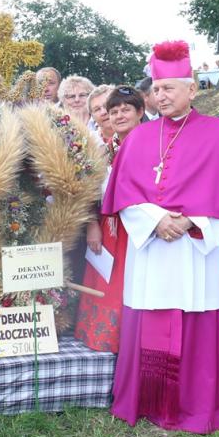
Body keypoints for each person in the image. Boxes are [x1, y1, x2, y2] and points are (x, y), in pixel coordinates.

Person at [101, 40, 219, 434]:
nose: (161, 95)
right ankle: (146, 400)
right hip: (152, 249)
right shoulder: (138, 138)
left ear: (192, 89)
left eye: (169, 88)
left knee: (196, 314)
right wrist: (156, 220)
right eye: (156, 89)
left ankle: (194, 405)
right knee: (149, 313)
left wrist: (189, 222)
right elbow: (123, 194)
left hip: (194, 251)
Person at [75, 86, 145, 353]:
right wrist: (92, 224)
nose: (117, 116)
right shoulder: (103, 149)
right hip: (109, 227)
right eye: (112, 111)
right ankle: (104, 339)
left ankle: (132, 343)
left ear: (140, 112)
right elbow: (89, 189)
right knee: (107, 282)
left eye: (125, 110)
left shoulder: (153, 144)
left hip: (140, 228)